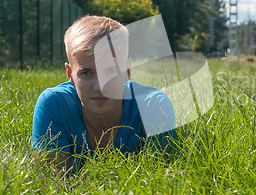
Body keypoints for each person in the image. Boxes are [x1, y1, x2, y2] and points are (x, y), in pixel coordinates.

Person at [32, 15, 176, 174]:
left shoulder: (153, 106)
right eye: (87, 73)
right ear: (70, 74)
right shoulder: (54, 105)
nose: (100, 86)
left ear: (127, 71)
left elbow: (163, 182)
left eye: (111, 71)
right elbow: (53, 185)